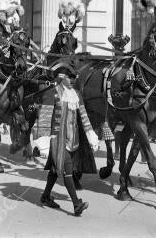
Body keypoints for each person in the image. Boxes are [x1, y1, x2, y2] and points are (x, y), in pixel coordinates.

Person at [40, 62, 99, 216]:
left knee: (55, 170)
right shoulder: (52, 93)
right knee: (67, 170)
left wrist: (91, 134)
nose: (72, 80)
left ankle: (45, 196)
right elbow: (44, 118)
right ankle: (76, 204)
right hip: (57, 140)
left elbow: (84, 117)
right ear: (61, 77)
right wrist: (43, 142)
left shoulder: (77, 94)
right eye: (69, 77)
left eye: (74, 77)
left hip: (74, 141)